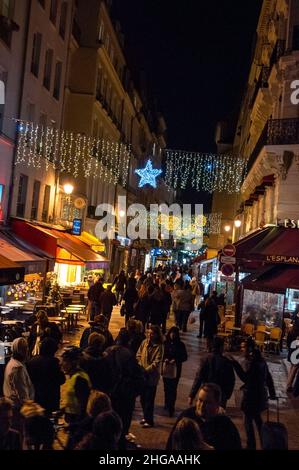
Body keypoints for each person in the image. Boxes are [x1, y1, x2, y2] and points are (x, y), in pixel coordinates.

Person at [228, 338, 276, 450]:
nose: (241, 349)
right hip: (260, 396)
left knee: (248, 422)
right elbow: (268, 377)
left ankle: (251, 445)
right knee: (258, 421)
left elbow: (246, 378)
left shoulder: (253, 362)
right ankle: (264, 443)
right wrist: (272, 392)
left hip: (251, 397)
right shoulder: (261, 360)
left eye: (243, 347)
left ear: (249, 348)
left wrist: (234, 363)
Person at [166, 383, 241, 450]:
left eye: (207, 402)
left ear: (217, 404)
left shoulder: (226, 426)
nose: (201, 406)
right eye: (200, 400)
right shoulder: (187, 416)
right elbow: (172, 442)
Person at [189, 337, 235, 409]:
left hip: (206, 392)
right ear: (221, 347)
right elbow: (231, 380)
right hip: (220, 395)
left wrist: (192, 394)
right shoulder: (226, 362)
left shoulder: (205, 359)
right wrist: (227, 395)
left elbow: (198, 378)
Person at [27, 337, 65, 414]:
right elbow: (61, 379)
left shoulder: (32, 361)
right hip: (51, 397)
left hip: (36, 395)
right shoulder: (54, 362)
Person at [3, 337, 35, 431]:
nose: (27, 350)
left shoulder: (13, 363)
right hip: (19, 410)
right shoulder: (17, 368)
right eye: (25, 348)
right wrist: (30, 407)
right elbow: (22, 393)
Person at [136, 325, 164, 428]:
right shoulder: (144, 342)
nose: (149, 335)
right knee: (142, 399)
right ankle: (145, 417)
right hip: (143, 375)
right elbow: (138, 354)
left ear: (157, 335)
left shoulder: (159, 347)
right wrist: (140, 366)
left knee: (149, 399)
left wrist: (146, 370)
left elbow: (156, 362)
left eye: (152, 333)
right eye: (148, 333)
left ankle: (149, 420)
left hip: (151, 377)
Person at [61, 347, 91, 425]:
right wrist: (63, 410)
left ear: (73, 363)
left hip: (78, 423)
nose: (61, 363)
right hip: (72, 420)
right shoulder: (73, 376)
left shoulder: (80, 379)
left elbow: (83, 405)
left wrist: (77, 425)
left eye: (65, 361)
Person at [162, 326, 188, 417]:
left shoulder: (181, 345)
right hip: (166, 369)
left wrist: (176, 360)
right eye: (171, 333)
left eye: (174, 333)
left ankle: (171, 406)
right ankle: (166, 402)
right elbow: (162, 354)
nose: (173, 335)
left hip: (176, 370)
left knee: (173, 388)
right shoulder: (165, 343)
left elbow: (184, 357)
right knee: (166, 387)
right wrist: (165, 359)